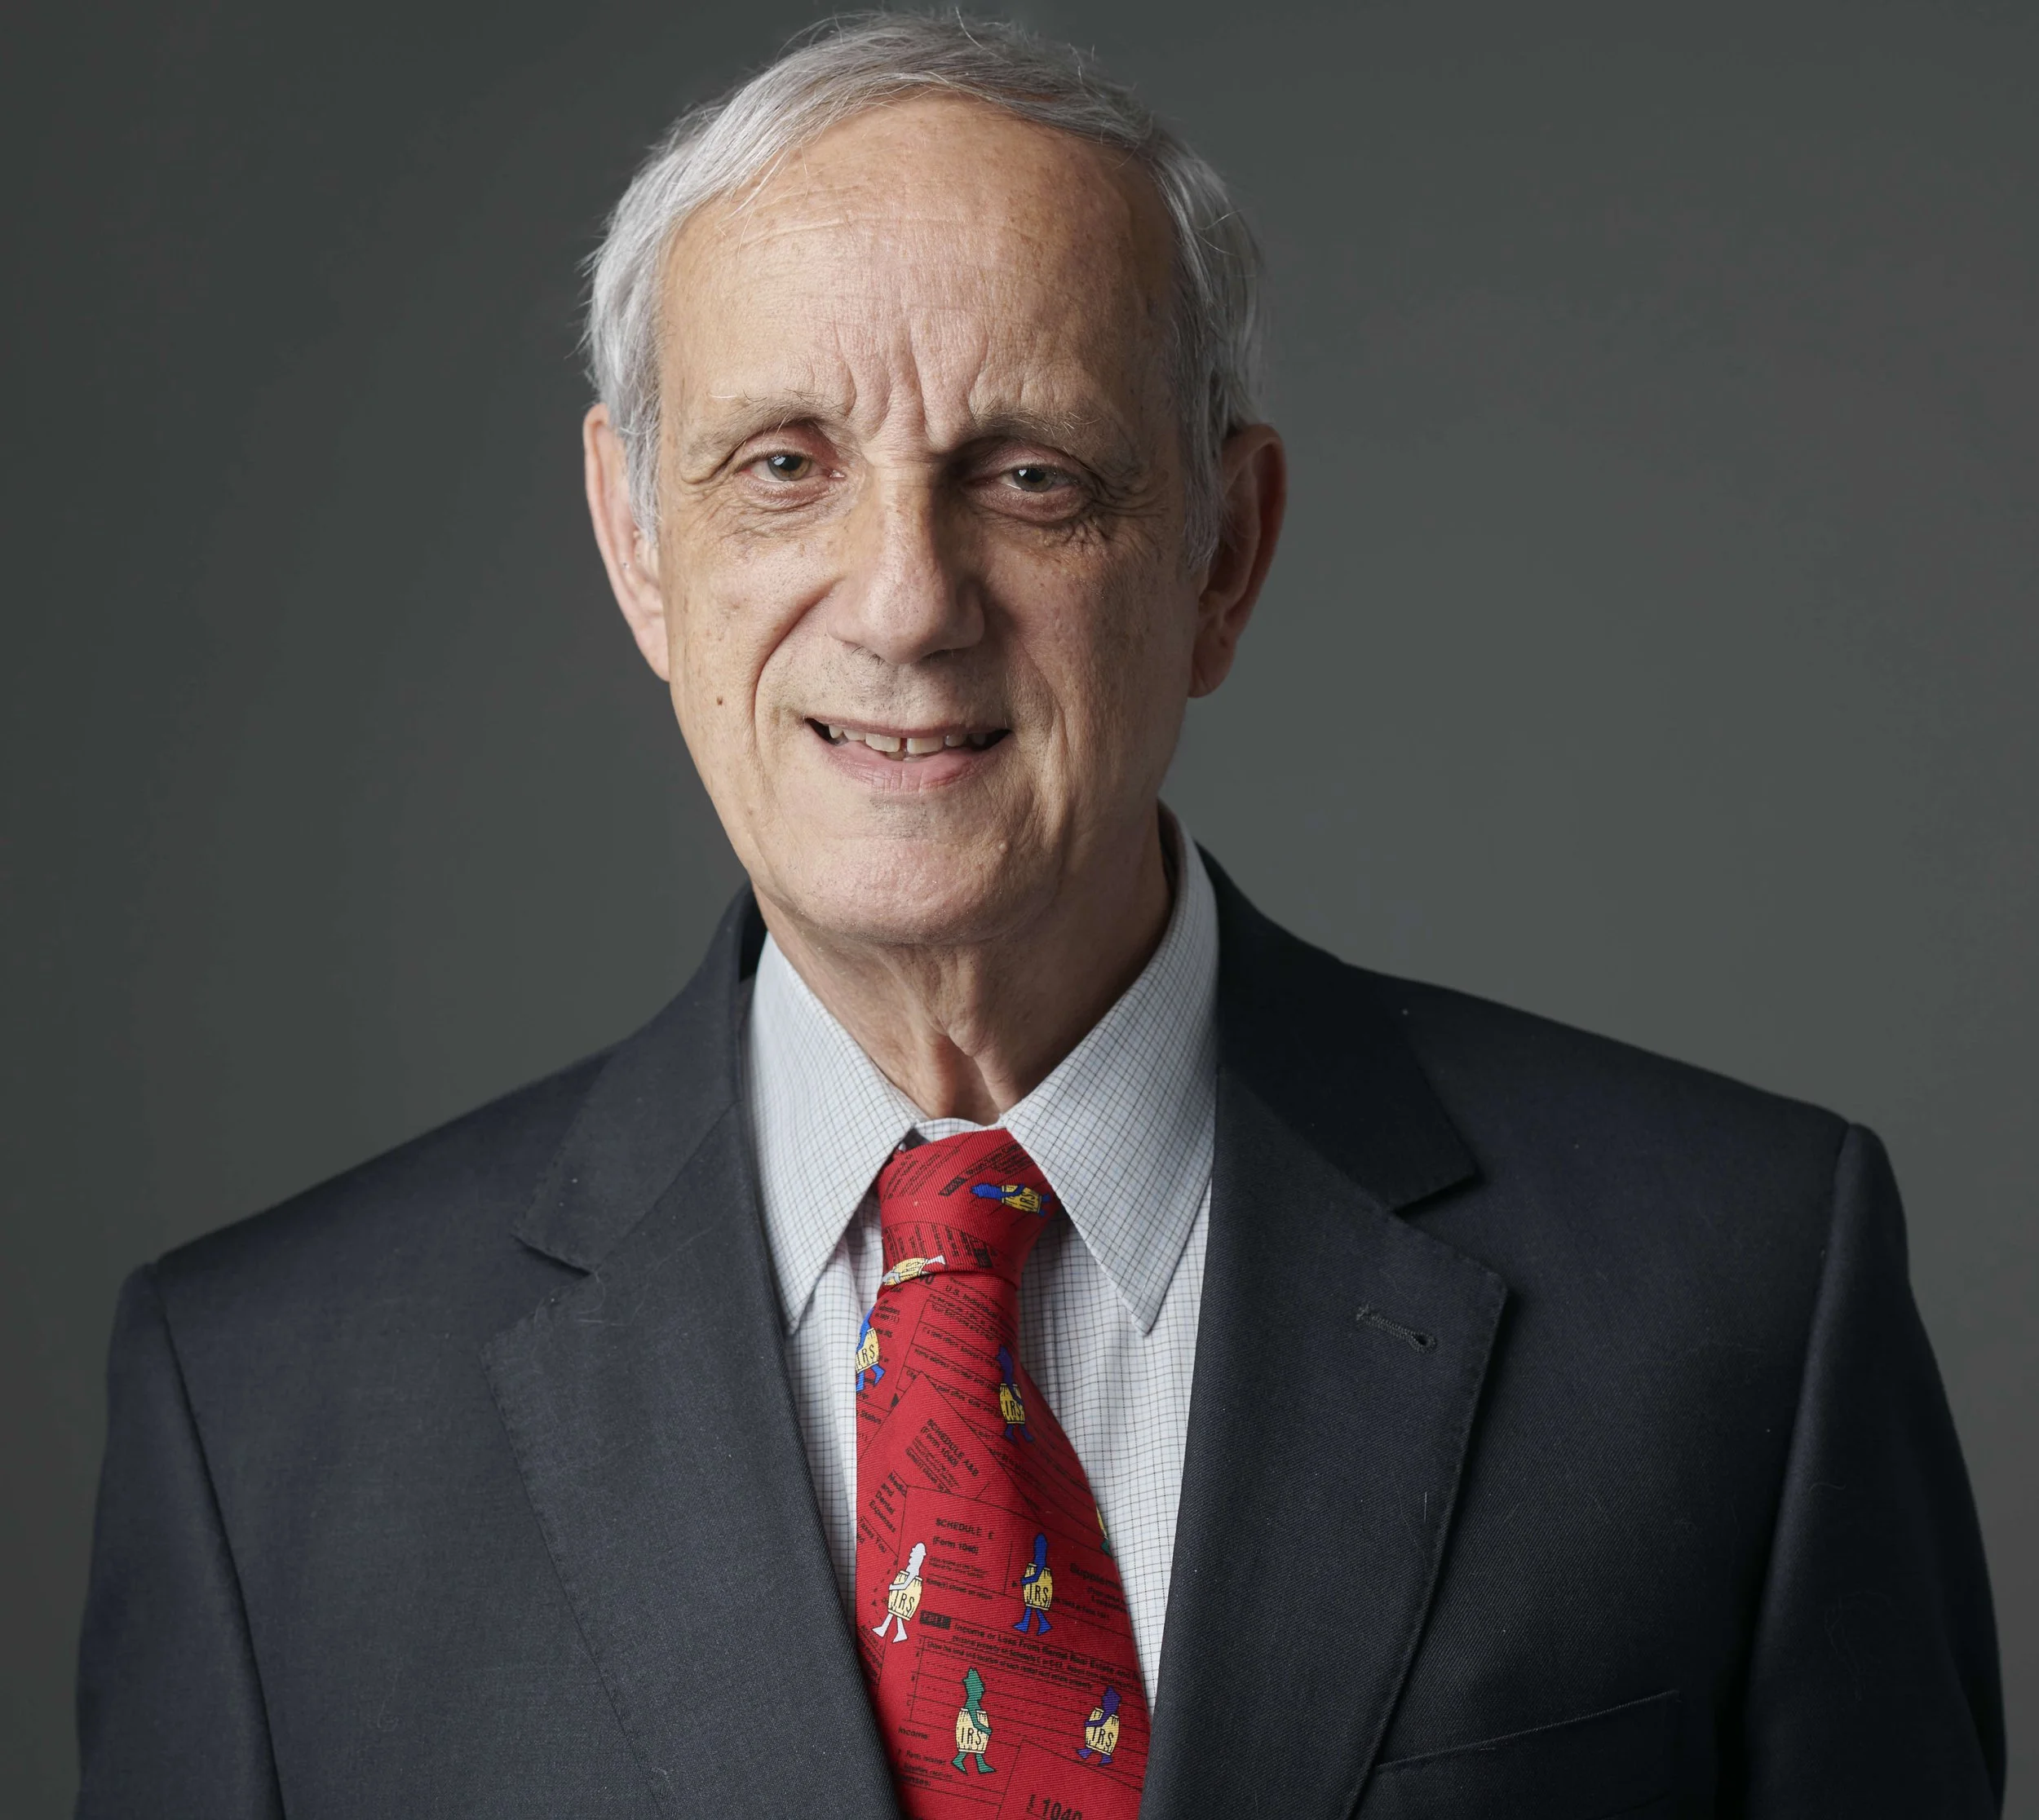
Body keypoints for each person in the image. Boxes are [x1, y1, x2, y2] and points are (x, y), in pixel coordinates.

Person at [73, 14, 2002, 1818]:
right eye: (780, 468)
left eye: (1028, 477)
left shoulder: (1737, 1295)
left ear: (1222, 557)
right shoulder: (262, 1414)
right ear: (637, 546)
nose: (904, 602)